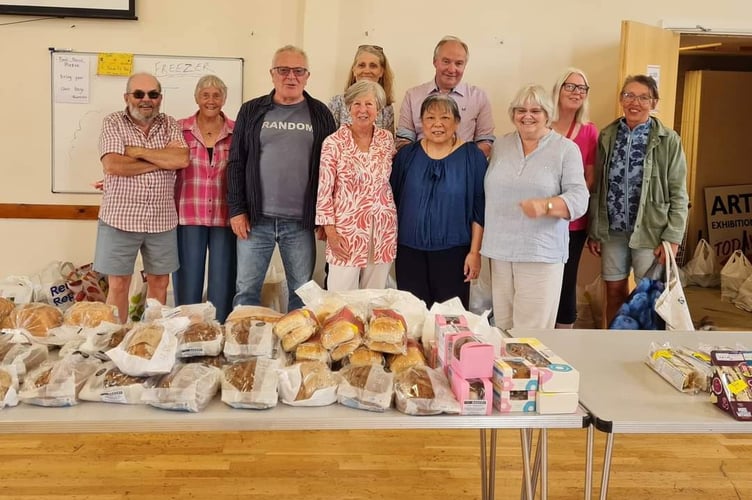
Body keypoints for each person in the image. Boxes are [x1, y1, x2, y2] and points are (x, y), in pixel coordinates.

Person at [227, 45, 337, 311]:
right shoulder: (251, 110)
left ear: (307, 76)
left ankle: (297, 339)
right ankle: (245, 338)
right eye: (283, 70)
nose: (291, 76)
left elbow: (331, 170)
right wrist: (237, 210)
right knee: (246, 291)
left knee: (302, 293)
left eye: (298, 71)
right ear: (272, 74)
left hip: (300, 223)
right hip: (255, 221)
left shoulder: (320, 113)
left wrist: (326, 217)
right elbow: (236, 162)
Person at [482, 84, 588, 330]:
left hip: (540, 253)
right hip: (499, 252)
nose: (527, 116)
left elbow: (580, 198)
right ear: (513, 114)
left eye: (535, 111)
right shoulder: (501, 145)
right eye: (521, 110)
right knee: (502, 327)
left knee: (530, 334)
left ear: (547, 114)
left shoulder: (565, 149)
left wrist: (547, 205)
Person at [587, 74, 689, 324]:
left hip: (650, 231)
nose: (635, 102)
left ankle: (646, 344)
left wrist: (673, 238)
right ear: (621, 99)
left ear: (654, 102)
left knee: (649, 296)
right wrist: (595, 230)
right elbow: (598, 188)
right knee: (614, 291)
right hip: (613, 231)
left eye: (644, 97)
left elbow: (679, 192)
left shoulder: (668, 140)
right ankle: (616, 340)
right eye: (629, 95)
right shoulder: (607, 135)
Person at [94, 72, 189, 323]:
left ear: (160, 98)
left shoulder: (170, 124)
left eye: (153, 94)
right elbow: (113, 165)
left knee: (160, 282)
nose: (146, 99)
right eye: (138, 94)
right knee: (118, 284)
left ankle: (152, 337)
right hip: (119, 219)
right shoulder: (113, 122)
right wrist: (161, 160)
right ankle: (115, 338)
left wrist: (136, 152)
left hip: (162, 220)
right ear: (127, 97)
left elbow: (181, 159)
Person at [390, 94, 486, 309]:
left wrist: (475, 253)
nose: (437, 124)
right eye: (430, 118)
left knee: (450, 319)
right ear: (421, 122)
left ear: (457, 122)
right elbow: (391, 200)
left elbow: (479, 209)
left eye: (445, 117)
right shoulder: (407, 156)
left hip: (455, 253)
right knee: (412, 316)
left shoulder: (472, 157)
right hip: (409, 251)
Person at [317, 81, 396, 291]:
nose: (363, 110)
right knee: (340, 298)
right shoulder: (333, 143)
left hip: (382, 229)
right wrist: (330, 233)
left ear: (378, 108)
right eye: (357, 104)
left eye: (369, 104)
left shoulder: (386, 140)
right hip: (346, 231)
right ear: (348, 107)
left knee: (375, 296)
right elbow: (324, 192)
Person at [173, 75, 236, 323]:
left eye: (216, 95)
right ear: (196, 97)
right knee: (187, 281)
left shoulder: (236, 131)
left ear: (224, 99)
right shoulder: (179, 129)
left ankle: (217, 330)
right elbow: (163, 165)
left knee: (223, 282)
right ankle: (186, 330)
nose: (211, 100)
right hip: (188, 214)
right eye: (205, 95)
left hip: (224, 215)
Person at [551, 68, 598, 329]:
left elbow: (589, 178)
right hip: (540, 221)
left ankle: (564, 336)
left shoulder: (589, 132)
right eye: (570, 86)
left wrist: (564, 203)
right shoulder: (542, 126)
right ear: (558, 90)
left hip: (572, 222)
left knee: (567, 280)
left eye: (582, 88)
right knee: (543, 281)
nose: (576, 92)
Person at [396, 35, 495, 157]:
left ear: (465, 66)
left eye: (459, 63)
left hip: (463, 164)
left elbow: (486, 142)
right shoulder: (413, 96)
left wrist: (458, 161)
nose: (452, 69)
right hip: (421, 163)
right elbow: (403, 141)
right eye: (446, 61)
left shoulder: (478, 97)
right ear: (435, 62)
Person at [328, 45, 395, 133]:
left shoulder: (387, 107)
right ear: (354, 70)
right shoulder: (337, 103)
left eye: (373, 66)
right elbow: (328, 138)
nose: (366, 71)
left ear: (381, 72)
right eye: (361, 65)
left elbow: (389, 140)